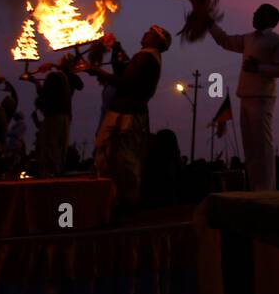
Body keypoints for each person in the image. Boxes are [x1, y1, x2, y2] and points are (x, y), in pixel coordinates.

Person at [207, 4, 279, 191]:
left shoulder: (277, 41)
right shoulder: (248, 39)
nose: (253, 14)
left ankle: (266, 191)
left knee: (262, 146)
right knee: (250, 148)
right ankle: (256, 189)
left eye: (258, 13)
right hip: (246, 97)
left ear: (270, 19)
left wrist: (259, 68)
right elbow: (225, 41)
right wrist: (210, 24)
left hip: (262, 99)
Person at [90, 26, 171, 208]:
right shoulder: (144, 56)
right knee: (108, 153)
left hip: (128, 115)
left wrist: (97, 71)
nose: (144, 33)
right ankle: (112, 198)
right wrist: (115, 46)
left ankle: (127, 202)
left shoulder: (147, 57)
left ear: (157, 41)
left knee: (125, 159)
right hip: (123, 112)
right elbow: (123, 70)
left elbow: (125, 82)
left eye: (150, 33)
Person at [26, 54, 85, 177]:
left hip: (54, 116)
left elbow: (43, 94)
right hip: (65, 116)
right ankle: (56, 171)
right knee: (60, 146)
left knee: (50, 146)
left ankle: (50, 173)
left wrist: (36, 82)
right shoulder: (69, 77)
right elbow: (79, 85)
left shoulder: (55, 76)